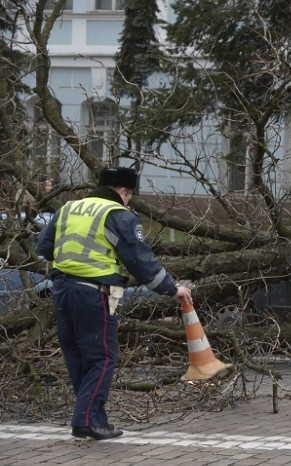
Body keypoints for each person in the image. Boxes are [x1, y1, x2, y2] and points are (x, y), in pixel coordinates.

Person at [37, 167, 192, 441]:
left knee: (78, 357)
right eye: (129, 195)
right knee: (102, 357)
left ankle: (92, 418)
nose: (129, 200)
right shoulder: (117, 214)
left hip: (61, 290)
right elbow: (140, 262)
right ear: (123, 191)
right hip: (93, 293)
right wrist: (172, 289)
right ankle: (86, 420)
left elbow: (45, 247)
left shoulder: (68, 208)